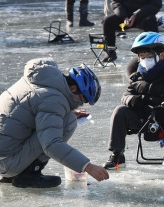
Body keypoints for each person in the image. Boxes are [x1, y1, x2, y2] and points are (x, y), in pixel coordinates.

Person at [0, 59, 108, 188]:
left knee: (67, 117)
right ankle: (29, 175)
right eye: (82, 99)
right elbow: (52, 144)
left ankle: (18, 173)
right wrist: (88, 167)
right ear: (73, 88)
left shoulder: (42, 80)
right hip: (6, 163)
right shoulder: (53, 99)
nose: (80, 104)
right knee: (68, 121)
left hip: (5, 156)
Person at [103, 32, 164, 169]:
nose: (145, 60)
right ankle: (117, 155)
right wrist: (133, 100)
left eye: (149, 57)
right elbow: (126, 95)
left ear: (162, 55)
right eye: (142, 57)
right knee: (120, 111)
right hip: (143, 117)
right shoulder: (136, 75)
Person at [101, 0, 162, 64]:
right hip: (124, 19)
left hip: (142, 19)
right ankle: (110, 52)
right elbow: (115, 2)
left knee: (151, 21)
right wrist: (124, 17)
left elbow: (155, 5)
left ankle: (152, 51)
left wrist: (136, 15)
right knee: (107, 21)